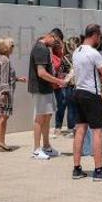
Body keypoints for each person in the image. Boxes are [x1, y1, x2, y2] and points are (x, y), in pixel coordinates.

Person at [71, 24, 102, 182]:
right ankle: (98, 170)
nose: (100, 39)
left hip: (78, 92)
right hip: (91, 94)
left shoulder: (76, 51)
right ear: (95, 35)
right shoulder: (94, 53)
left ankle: (76, 168)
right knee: (98, 131)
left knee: (80, 130)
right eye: (100, 36)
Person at [28, 32, 67, 160]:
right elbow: (41, 73)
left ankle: (46, 146)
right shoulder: (40, 49)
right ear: (50, 36)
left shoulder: (45, 49)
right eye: (55, 40)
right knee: (40, 118)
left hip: (47, 88)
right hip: (41, 89)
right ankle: (36, 149)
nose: (55, 43)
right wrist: (58, 81)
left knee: (47, 116)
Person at [0, 37, 26, 152]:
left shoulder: (0, 58)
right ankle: (1, 143)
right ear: (7, 48)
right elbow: (3, 78)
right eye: (12, 46)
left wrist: (17, 79)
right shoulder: (6, 60)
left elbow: (5, 76)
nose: (13, 48)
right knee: (4, 117)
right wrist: (5, 91)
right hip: (4, 90)